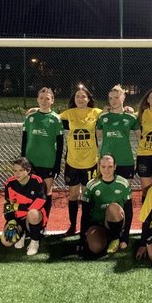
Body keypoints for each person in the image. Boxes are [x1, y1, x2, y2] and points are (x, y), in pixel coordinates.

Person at [59, 85, 103, 236]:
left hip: (90, 161)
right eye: (77, 96)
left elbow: (112, 111)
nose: (80, 99)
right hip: (72, 161)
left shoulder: (96, 112)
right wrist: (35, 110)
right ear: (74, 99)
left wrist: (129, 110)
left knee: (86, 195)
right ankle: (72, 225)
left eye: (83, 96)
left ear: (89, 99)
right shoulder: (69, 113)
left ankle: (86, 225)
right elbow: (51, 116)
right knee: (73, 195)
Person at [21, 87, 63, 220]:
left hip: (48, 162)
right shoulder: (30, 117)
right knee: (30, 192)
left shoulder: (56, 119)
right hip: (30, 162)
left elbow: (60, 144)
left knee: (46, 192)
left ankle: (44, 223)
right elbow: (24, 139)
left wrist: (57, 165)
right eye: (41, 98)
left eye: (47, 98)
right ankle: (30, 221)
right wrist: (23, 160)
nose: (44, 101)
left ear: (52, 101)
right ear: (37, 100)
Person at [78, 154, 133, 254]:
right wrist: (82, 237)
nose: (106, 170)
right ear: (99, 166)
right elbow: (85, 213)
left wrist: (126, 237)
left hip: (117, 221)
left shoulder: (123, 183)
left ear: (115, 166)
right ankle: (105, 238)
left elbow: (129, 212)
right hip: (98, 223)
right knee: (96, 248)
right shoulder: (91, 185)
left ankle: (116, 237)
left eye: (110, 166)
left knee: (112, 207)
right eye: (103, 166)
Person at [1, 157, 47, 256]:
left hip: (33, 218)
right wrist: (11, 221)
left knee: (33, 213)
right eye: (15, 170)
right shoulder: (9, 183)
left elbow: (39, 203)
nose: (17, 173)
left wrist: (17, 206)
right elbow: (7, 206)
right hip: (18, 218)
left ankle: (34, 241)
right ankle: (22, 234)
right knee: (6, 242)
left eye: (21, 170)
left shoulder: (38, 181)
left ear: (28, 170)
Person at [97, 84, 141, 179]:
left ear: (123, 98)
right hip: (106, 163)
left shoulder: (131, 117)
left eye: (116, 97)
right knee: (106, 192)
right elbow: (97, 135)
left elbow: (140, 137)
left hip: (125, 160)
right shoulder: (103, 117)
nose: (113, 101)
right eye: (110, 98)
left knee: (125, 192)